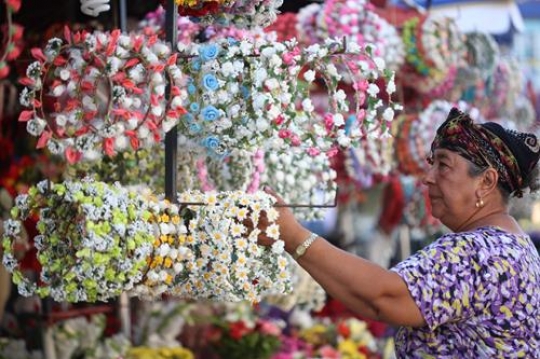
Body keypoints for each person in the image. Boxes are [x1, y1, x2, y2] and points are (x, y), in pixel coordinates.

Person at [258, 107, 540, 358]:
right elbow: (375, 302)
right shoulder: (511, 244)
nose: (428, 178)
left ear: (487, 181)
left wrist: (292, 235)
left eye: (443, 165)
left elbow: (384, 298)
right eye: (432, 164)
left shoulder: (481, 251)